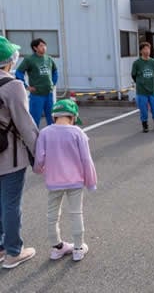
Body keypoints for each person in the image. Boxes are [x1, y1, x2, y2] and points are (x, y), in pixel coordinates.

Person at [33, 99, 97, 261]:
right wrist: (90, 182)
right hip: (75, 182)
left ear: (54, 116)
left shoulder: (45, 132)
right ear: (73, 116)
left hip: (53, 182)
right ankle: (77, 248)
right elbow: (86, 160)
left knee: (52, 215)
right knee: (76, 213)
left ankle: (57, 248)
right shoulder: (77, 133)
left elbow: (39, 159)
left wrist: (39, 170)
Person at [0, 36, 39, 269]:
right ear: (8, 61)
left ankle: (2, 247)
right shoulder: (13, 86)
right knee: (11, 203)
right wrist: (39, 154)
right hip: (9, 156)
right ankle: (14, 251)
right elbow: (25, 124)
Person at [15, 38, 58, 128]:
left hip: (48, 94)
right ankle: (34, 140)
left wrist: (53, 83)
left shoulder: (49, 59)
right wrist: (26, 86)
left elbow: (55, 71)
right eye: (41, 46)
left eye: (44, 45)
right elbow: (19, 72)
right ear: (35, 48)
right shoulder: (29, 59)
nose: (44, 48)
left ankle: (52, 137)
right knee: (34, 120)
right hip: (37, 95)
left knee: (52, 118)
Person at [131, 42, 154, 132]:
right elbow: (133, 75)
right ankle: (145, 126)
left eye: (148, 49)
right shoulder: (137, 63)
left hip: (152, 90)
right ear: (141, 51)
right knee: (143, 110)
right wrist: (139, 82)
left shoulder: (153, 62)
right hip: (141, 91)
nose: (147, 51)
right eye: (145, 49)